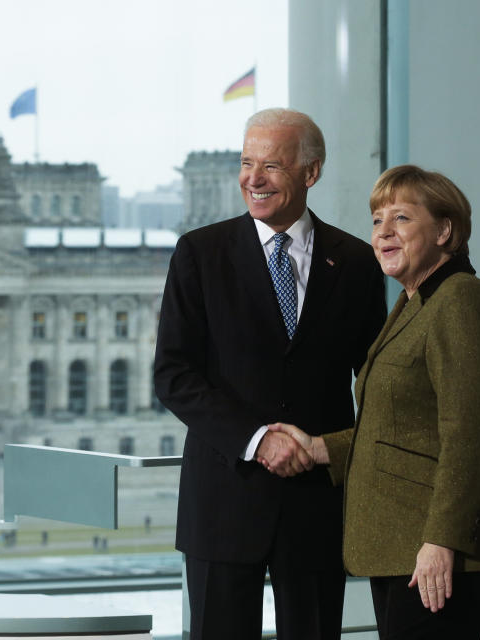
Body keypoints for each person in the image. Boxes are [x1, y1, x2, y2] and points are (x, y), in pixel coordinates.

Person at [153, 108, 387, 640]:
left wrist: (340, 449)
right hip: (222, 504)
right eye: (246, 163)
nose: (253, 179)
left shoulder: (355, 261)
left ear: (312, 172)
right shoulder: (200, 253)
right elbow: (173, 374)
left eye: (272, 165)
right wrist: (257, 440)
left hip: (315, 507)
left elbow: (376, 382)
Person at [268, 165, 480, 639]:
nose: (383, 232)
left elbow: (469, 436)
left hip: (440, 550)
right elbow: (404, 426)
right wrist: (322, 447)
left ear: (445, 231)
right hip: (406, 544)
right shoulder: (416, 301)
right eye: (376, 220)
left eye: (402, 219)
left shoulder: (461, 301)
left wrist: (441, 542)